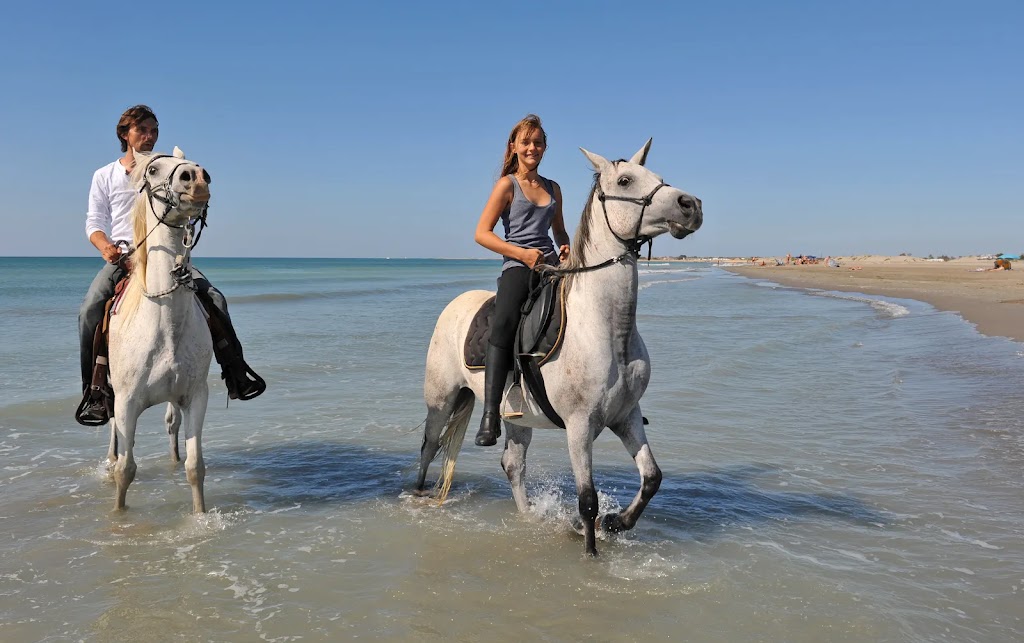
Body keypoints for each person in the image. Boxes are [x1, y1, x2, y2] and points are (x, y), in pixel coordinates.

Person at [77, 105, 264, 425]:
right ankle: (95, 391)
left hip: (167, 254)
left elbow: (188, 196)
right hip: (125, 257)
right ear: (125, 135)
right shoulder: (104, 175)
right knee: (89, 311)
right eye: (142, 130)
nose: (149, 137)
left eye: (154, 130)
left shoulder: (167, 167)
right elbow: (94, 223)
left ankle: (235, 372)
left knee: (215, 298)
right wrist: (105, 246)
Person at [472, 114, 570, 446]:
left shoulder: (553, 188)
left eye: (538, 142)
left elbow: (558, 231)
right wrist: (521, 254)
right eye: (526, 142)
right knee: (503, 325)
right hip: (518, 267)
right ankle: (489, 415)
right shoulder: (506, 185)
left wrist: (566, 246)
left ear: (545, 148)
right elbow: (482, 234)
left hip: (551, 267)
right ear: (514, 147)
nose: (532, 148)